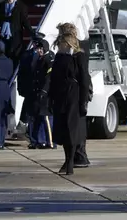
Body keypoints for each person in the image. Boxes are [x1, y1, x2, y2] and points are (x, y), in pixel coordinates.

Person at [48, 32, 90, 175]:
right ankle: (67, 159)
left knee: (72, 131)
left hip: (74, 96)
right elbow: (53, 79)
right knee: (63, 130)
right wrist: (50, 97)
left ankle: (71, 161)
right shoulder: (59, 58)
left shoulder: (78, 57)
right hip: (61, 96)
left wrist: (83, 101)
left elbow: (84, 80)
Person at [0, 0, 34, 69]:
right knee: (3, 55)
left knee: (14, 56)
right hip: (3, 35)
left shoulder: (21, 6)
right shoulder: (2, 5)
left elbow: (25, 21)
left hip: (15, 35)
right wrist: (5, 17)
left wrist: (32, 33)